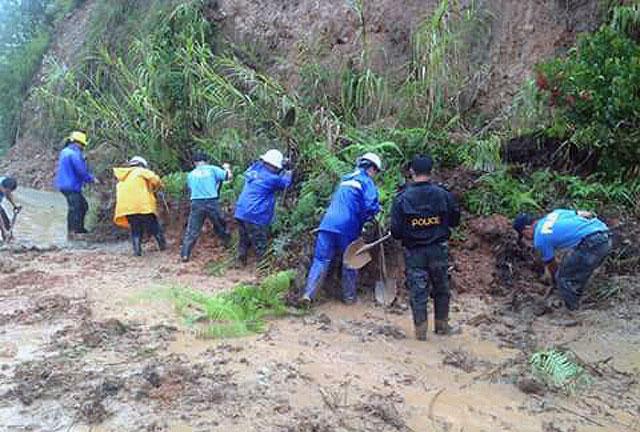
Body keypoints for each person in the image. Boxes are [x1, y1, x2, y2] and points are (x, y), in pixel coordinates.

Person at [390, 155, 461, 340]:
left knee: (418, 291)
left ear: (412, 172)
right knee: (442, 288)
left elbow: (396, 232)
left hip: (414, 253)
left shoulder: (401, 199)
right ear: (431, 171)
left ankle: (420, 334)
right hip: (438, 249)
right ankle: (442, 327)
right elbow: (455, 220)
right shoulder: (443, 194)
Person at [301, 153, 382, 305]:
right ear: (372, 168)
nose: (375, 175)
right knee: (350, 260)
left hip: (327, 223)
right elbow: (370, 205)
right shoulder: (366, 181)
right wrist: (377, 211)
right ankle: (349, 298)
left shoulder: (345, 179)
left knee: (320, 259)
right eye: (376, 172)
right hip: (347, 226)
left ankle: (308, 294)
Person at [513, 209, 612, 311]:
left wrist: (555, 282)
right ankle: (580, 298)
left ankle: (572, 311)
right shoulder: (555, 214)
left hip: (593, 243)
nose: (527, 239)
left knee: (564, 278)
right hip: (605, 235)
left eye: (524, 235)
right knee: (574, 269)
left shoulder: (540, 238)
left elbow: (551, 264)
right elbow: (584, 213)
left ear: (527, 228)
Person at [234, 149, 293, 266]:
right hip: (254, 213)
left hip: (241, 211)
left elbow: (257, 164)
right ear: (274, 166)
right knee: (260, 242)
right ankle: (263, 265)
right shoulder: (272, 179)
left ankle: (240, 261)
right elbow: (286, 183)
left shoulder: (253, 170)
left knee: (243, 238)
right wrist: (288, 170)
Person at [180, 152, 233, 262]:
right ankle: (229, 246)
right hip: (211, 201)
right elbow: (228, 177)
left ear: (194, 163)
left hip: (196, 202)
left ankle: (185, 254)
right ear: (207, 161)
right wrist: (227, 168)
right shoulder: (212, 169)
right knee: (220, 224)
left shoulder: (191, 174)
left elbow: (191, 188)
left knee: (192, 230)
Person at [113, 156, 166, 256]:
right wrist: (161, 186)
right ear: (142, 164)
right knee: (154, 226)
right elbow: (155, 179)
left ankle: (137, 251)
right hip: (143, 206)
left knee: (135, 228)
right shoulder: (140, 171)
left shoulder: (123, 177)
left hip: (127, 208)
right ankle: (162, 246)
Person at [54, 131, 99, 237]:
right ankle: (73, 232)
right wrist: (92, 179)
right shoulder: (74, 153)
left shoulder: (65, 151)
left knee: (82, 206)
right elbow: (81, 171)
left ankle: (78, 229)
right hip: (71, 186)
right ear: (77, 143)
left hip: (65, 185)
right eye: (82, 144)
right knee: (75, 208)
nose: (83, 147)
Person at [0, 176, 21, 241]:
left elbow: (8, 195)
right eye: (6, 191)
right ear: (2, 187)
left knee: (6, 223)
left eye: (9, 191)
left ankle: (8, 240)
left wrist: (15, 205)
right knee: (3, 224)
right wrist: (4, 229)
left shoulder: (4, 181)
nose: (7, 193)